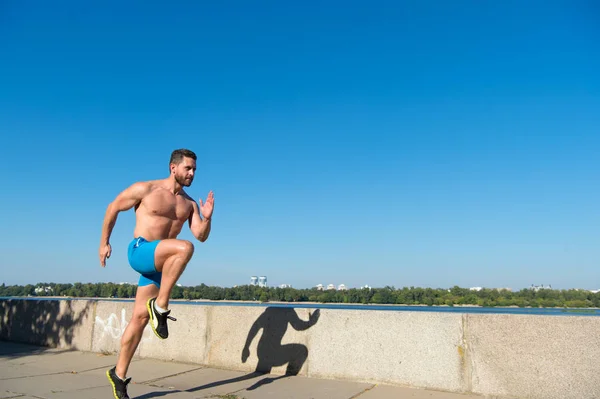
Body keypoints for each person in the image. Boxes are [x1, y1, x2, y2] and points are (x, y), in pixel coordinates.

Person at [98, 148, 214, 399]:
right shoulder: (146, 189)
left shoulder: (190, 204)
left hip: (160, 264)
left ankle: (118, 375)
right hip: (140, 250)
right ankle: (160, 307)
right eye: (188, 168)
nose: (192, 173)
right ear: (173, 168)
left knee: (139, 318)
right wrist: (104, 242)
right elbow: (113, 207)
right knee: (184, 248)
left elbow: (201, 235)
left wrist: (207, 218)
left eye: (195, 169)